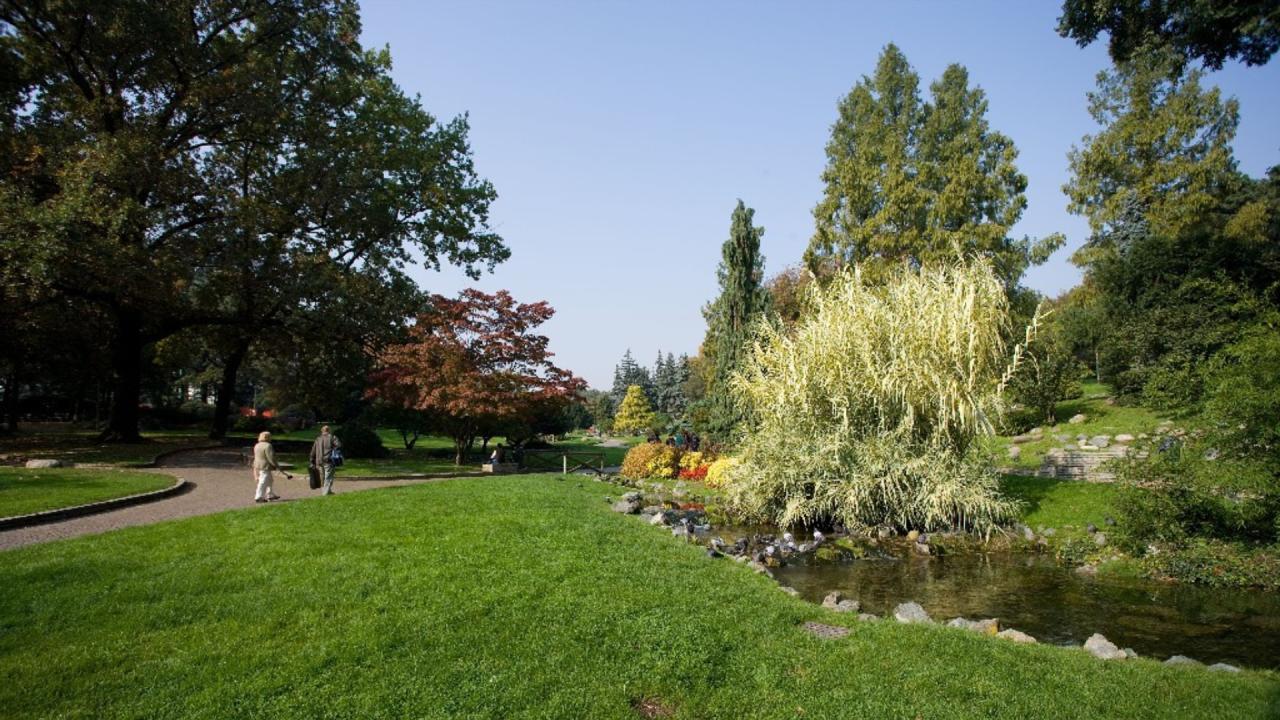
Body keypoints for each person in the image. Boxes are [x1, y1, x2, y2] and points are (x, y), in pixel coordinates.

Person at [252, 431, 291, 503]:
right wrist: (276, 466)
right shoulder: (268, 446)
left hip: (259, 465)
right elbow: (271, 458)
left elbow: (256, 457)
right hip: (265, 466)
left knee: (270, 480)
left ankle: (270, 494)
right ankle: (259, 496)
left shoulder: (257, 445)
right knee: (263, 481)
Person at [309, 425, 343, 496]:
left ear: (322, 431)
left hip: (319, 461)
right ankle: (325, 493)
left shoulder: (318, 439)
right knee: (328, 477)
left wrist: (311, 460)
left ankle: (328, 491)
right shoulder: (332, 437)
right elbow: (339, 445)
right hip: (328, 460)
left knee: (323, 477)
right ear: (329, 430)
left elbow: (313, 451)